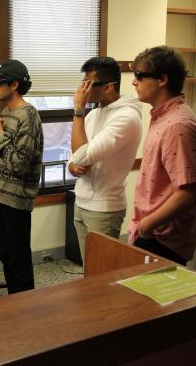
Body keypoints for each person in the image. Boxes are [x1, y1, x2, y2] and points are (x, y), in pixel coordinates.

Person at [128, 46, 196, 266]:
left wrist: (147, 226)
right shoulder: (163, 117)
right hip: (151, 231)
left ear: (162, 79)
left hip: (162, 238)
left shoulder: (178, 125)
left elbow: (189, 192)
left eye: (140, 76)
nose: (134, 82)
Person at [68, 56, 142, 262]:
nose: (82, 90)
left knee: (100, 272)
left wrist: (78, 110)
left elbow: (82, 155)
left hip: (104, 207)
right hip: (81, 200)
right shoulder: (94, 113)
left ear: (109, 87)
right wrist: (71, 165)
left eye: (88, 84)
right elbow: (74, 153)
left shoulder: (126, 117)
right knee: (87, 269)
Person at [0, 59, 43, 294]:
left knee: (19, 261)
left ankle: (24, 311)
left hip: (16, 199)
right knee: (7, 257)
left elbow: (18, 164)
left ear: (14, 84)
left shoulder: (28, 116)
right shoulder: (7, 113)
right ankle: (13, 304)